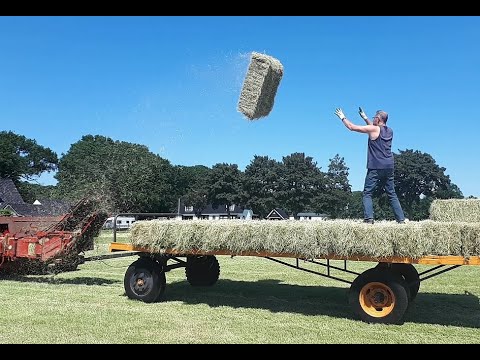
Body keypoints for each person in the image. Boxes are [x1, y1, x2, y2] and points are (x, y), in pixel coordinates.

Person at [334, 107, 405, 224]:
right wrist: (365, 117)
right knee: (391, 193)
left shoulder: (374, 129)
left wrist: (343, 117)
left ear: (378, 119)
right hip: (389, 166)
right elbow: (372, 128)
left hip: (376, 166)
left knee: (367, 193)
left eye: (374, 118)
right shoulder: (390, 131)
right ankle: (401, 219)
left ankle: (369, 218)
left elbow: (352, 127)